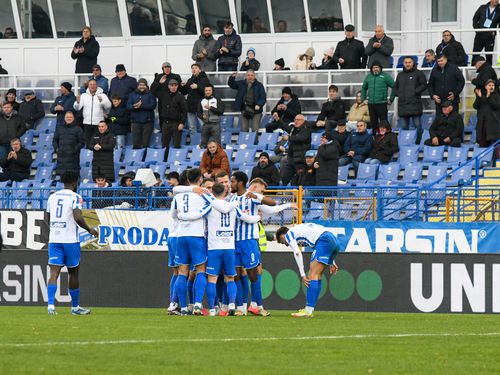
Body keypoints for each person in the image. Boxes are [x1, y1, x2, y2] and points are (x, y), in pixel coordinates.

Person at [178, 182, 260, 316]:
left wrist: (181, 216)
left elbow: (196, 215)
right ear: (225, 192)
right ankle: (232, 304)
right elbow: (247, 218)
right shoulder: (233, 207)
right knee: (230, 278)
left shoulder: (210, 206)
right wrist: (258, 217)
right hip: (229, 248)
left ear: (213, 193)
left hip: (214, 248)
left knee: (212, 279)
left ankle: (212, 309)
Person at [45, 171, 98, 315]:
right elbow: (77, 217)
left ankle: (51, 306)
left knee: (54, 272)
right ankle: (75, 308)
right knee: (73, 273)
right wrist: (89, 229)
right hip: (70, 241)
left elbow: (47, 218)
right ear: (75, 182)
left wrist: (56, 230)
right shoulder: (76, 197)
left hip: (54, 240)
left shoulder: (52, 197)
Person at [276, 223, 339, 317]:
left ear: (282, 236)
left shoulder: (289, 234)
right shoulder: (299, 230)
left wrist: (302, 274)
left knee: (312, 275)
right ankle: (310, 309)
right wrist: (332, 262)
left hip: (324, 240)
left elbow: (297, 252)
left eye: (282, 241)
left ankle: (308, 310)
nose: (285, 244)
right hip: (334, 240)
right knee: (317, 275)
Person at [171, 168, 210, 315]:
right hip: (196, 235)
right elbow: (210, 209)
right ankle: (198, 304)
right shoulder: (203, 194)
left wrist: (184, 216)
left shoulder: (178, 196)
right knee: (200, 270)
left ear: (187, 179)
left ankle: (183, 307)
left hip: (181, 235)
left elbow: (174, 215)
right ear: (200, 179)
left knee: (182, 271)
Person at [393, 56, 428, 144]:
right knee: (404, 127)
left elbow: (424, 85)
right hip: (403, 105)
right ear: (403, 64)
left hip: (415, 104)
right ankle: (407, 144)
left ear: (413, 63)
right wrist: (399, 93)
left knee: (418, 126)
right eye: (406, 62)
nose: (407, 64)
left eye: (409, 62)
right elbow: (395, 87)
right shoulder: (400, 75)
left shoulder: (419, 73)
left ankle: (418, 143)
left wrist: (415, 91)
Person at [152, 79, 187, 160]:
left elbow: (184, 111)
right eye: (172, 85)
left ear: (177, 86)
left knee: (176, 144)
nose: (173, 87)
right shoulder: (163, 94)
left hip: (176, 123)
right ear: (168, 86)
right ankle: (164, 160)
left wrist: (182, 123)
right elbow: (153, 91)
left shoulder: (180, 97)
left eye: (175, 85)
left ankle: (176, 161)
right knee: (164, 144)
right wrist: (157, 82)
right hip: (165, 123)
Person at [74, 79, 111, 148]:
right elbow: (77, 108)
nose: (92, 86)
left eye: (94, 84)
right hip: (87, 123)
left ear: (97, 86)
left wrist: (102, 102)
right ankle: (88, 157)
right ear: (88, 86)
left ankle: (97, 158)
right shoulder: (84, 95)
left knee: (98, 143)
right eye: (91, 84)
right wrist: (78, 102)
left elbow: (108, 106)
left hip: (98, 124)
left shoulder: (103, 95)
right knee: (88, 143)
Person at [361, 61, 395, 131]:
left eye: (377, 67)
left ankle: (386, 138)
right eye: (374, 68)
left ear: (380, 68)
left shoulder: (385, 76)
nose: (375, 69)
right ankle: (374, 138)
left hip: (382, 104)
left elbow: (395, 87)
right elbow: (364, 88)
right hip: (371, 104)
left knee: (384, 123)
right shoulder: (368, 77)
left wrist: (391, 99)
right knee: (373, 123)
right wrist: (363, 99)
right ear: (371, 69)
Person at [179, 63, 210, 137]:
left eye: (195, 68)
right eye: (192, 68)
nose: (193, 69)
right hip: (190, 107)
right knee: (192, 127)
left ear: (200, 70)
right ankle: (194, 142)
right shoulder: (190, 80)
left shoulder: (204, 79)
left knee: (203, 126)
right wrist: (181, 86)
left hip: (201, 107)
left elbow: (208, 91)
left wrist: (198, 87)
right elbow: (184, 92)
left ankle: (205, 143)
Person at [127, 78, 157, 149]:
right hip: (135, 121)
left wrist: (141, 105)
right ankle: (136, 159)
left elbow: (153, 105)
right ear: (138, 85)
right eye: (140, 85)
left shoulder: (151, 94)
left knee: (145, 143)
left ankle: (144, 158)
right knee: (136, 143)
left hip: (147, 121)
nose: (142, 86)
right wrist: (134, 106)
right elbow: (128, 106)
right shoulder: (132, 94)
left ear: (146, 86)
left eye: (143, 85)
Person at [53, 111, 85, 176]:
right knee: (62, 179)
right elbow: (55, 140)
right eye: (67, 117)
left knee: (73, 179)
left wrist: (74, 150)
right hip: (61, 157)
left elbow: (82, 142)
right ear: (64, 118)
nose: (69, 118)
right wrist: (56, 149)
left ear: (73, 118)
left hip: (73, 158)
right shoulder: (60, 128)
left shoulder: (78, 129)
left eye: (70, 117)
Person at [473, 79, 500, 147]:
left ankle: (495, 157)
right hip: (482, 123)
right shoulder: (482, 95)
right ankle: (484, 158)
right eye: (489, 85)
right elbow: (475, 106)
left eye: (493, 85)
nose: (491, 87)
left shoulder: (497, 96)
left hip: (493, 124)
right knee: (483, 144)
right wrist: (479, 98)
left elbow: (496, 106)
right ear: (485, 87)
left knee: (494, 145)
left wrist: (489, 97)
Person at [473, 0, 500, 66]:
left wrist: (495, 32)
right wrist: (478, 31)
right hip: (479, 36)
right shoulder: (483, 7)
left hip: (490, 37)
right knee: (475, 55)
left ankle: (488, 74)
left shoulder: (499, 10)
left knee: (489, 56)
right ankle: (473, 73)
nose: (497, 0)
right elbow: (475, 19)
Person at [287, 114, 312, 182]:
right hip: (292, 157)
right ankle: (284, 191)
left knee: (300, 179)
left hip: (301, 160)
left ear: (303, 121)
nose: (296, 121)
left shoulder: (306, 129)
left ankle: (299, 192)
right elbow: (286, 128)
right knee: (286, 177)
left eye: (298, 120)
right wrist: (278, 120)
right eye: (295, 120)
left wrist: (289, 138)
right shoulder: (294, 129)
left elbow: (301, 138)